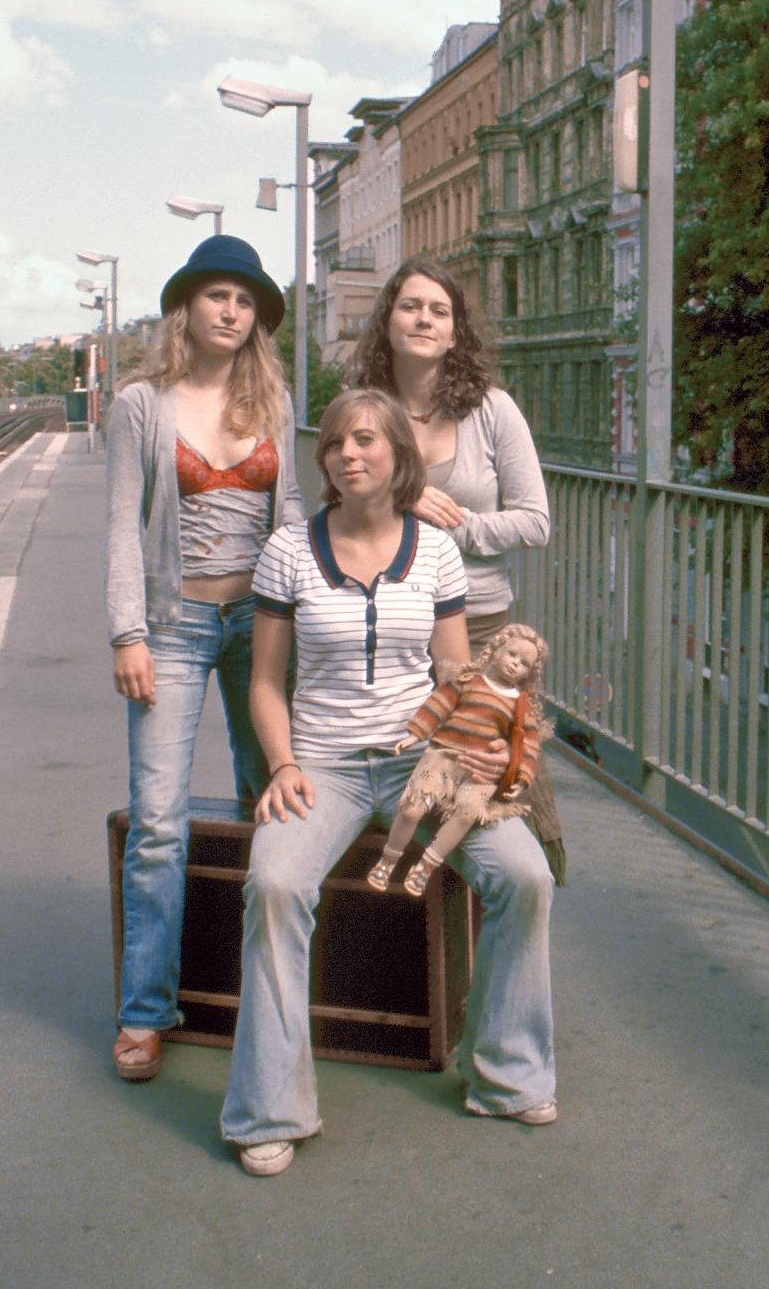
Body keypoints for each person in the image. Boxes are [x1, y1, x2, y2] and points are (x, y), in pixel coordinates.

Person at [221, 388, 557, 1178]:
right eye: (336, 442)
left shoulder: (436, 550)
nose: (348, 454)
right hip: (327, 765)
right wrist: (283, 765)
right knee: (272, 881)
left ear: (397, 456)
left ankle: (507, 1073)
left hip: (423, 760)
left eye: (366, 439)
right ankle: (270, 1108)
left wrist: (474, 738)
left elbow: (448, 664)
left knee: (525, 874)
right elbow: (266, 681)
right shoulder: (289, 551)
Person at [104, 234, 302, 1085]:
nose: (230, 309)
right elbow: (121, 523)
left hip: (260, 626)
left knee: (281, 803)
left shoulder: (275, 398)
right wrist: (127, 632)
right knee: (157, 823)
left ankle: (276, 990)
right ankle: (147, 1011)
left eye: (245, 298)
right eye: (216, 294)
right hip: (174, 627)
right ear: (184, 307)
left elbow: (289, 509)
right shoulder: (142, 404)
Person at [348, 258, 567, 882]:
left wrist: (459, 524)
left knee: (491, 801)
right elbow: (331, 509)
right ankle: (401, 960)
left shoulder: (492, 410)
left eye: (438, 311)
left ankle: (496, 935)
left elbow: (535, 522)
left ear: (454, 331)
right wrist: (396, 496)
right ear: (387, 322)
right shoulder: (361, 410)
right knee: (404, 796)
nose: (423, 319)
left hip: (477, 632)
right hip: (385, 629)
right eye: (410, 306)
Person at [366, 623, 550, 898]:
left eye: (524, 663)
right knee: (412, 809)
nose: (515, 664)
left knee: (466, 814)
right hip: (442, 755)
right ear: (497, 649)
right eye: (512, 654)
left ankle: (426, 867)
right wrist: (416, 735)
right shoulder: (468, 681)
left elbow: (528, 746)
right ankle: (388, 860)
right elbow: (438, 705)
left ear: (530, 673)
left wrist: (521, 777)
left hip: (479, 770)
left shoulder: (520, 706)